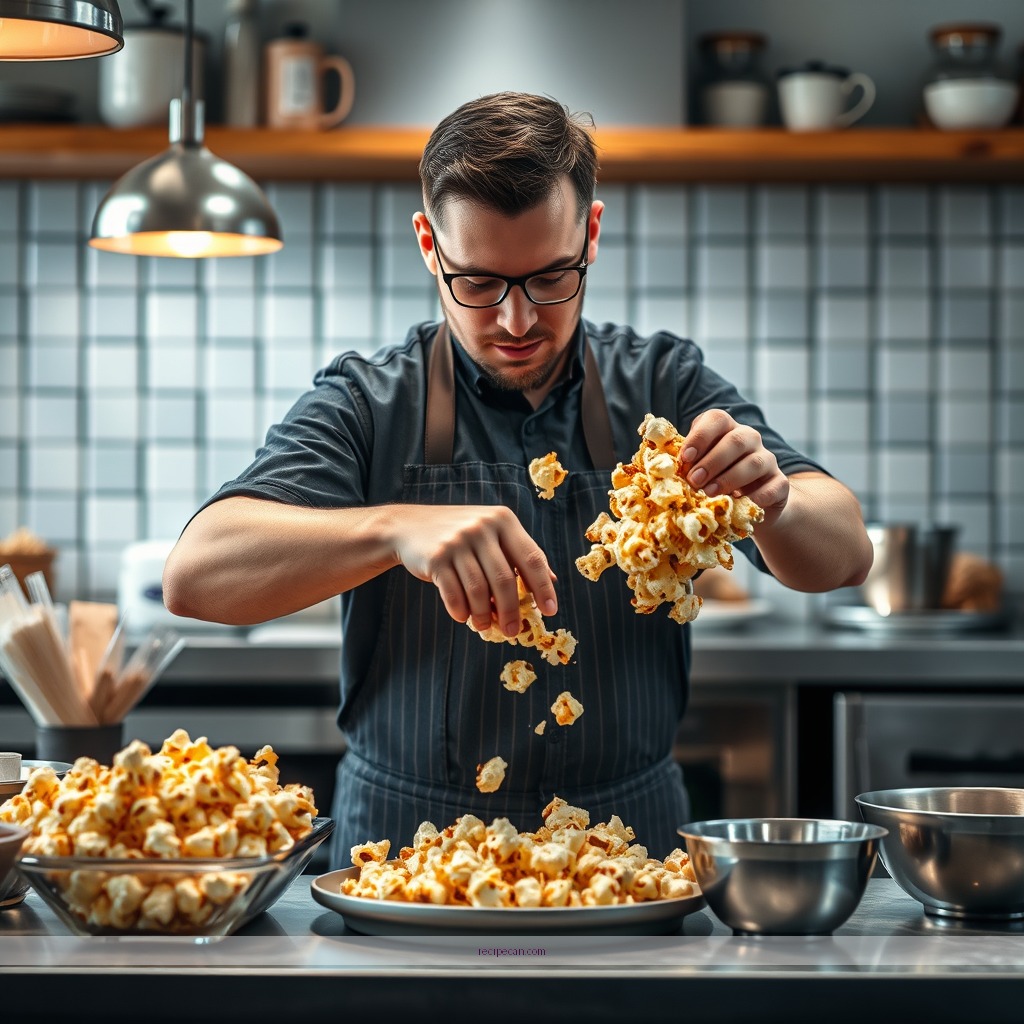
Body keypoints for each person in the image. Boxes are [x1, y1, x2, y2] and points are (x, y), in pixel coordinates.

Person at [163, 91, 873, 865]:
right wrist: (393, 528)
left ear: (590, 233)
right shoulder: (370, 402)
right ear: (430, 245)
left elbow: (846, 553)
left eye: (550, 277)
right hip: (407, 857)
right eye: (478, 283)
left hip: (630, 855)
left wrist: (774, 501)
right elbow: (197, 575)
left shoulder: (663, 383)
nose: (517, 321)